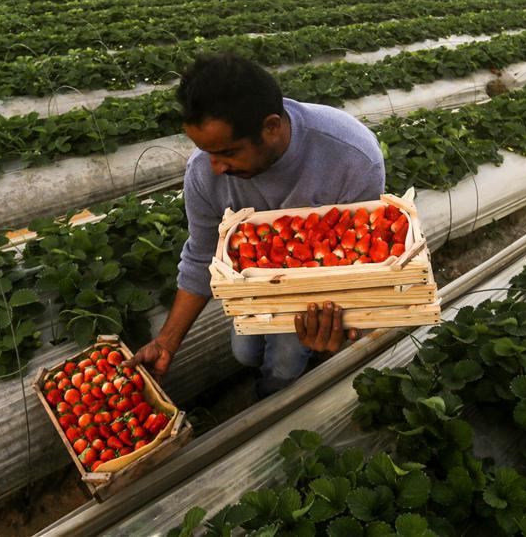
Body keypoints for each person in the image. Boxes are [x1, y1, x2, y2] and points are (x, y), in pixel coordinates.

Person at [125, 53, 386, 397]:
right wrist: (167, 342)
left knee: (285, 360)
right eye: (207, 152)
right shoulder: (204, 171)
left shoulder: (352, 158)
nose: (216, 167)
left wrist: (339, 316)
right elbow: (202, 257)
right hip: (255, 278)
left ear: (271, 127)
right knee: (245, 352)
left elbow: (360, 259)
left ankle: (272, 400)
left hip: (323, 275)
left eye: (229, 153)